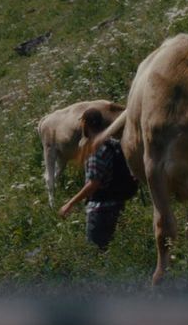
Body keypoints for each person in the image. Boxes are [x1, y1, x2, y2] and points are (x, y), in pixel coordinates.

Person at [56, 107, 137, 250]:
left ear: (85, 124)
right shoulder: (114, 143)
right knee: (112, 250)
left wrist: (70, 203)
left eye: (82, 122)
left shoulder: (96, 149)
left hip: (100, 210)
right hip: (117, 205)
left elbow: (94, 183)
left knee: (95, 252)